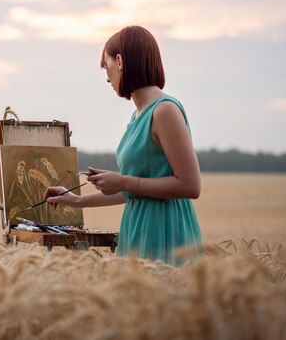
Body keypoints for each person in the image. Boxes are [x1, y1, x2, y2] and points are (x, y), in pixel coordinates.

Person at [44, 25, 202, 265]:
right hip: (138, 228)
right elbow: (137, 191)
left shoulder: (165, 110)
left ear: (119, 61)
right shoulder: (138, 116)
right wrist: (76, 200)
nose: (107, 78)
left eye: (105, 67)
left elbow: (191, 186)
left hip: (166, 233)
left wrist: (124, 180)